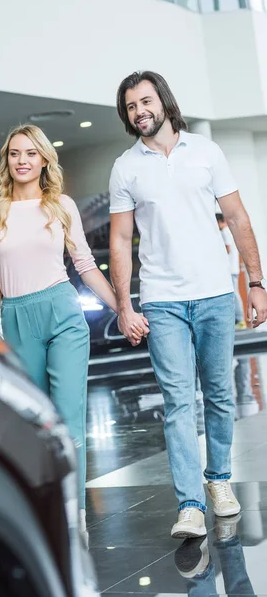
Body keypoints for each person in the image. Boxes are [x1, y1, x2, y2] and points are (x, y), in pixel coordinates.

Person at [109, 70, 267, 538]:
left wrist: (256, 282)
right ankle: (190, 505)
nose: (140, 111)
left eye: (145, 101)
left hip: (216, 293)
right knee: (179, 401)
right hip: (162, 301)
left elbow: (237, 218)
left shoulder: (206, 152)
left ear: (163, 103)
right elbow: (119, 240)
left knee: (219, 395)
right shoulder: (126, 167)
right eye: (131, 106)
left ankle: (218, 480)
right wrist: (124, 304)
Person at [0, 124, 118, 542]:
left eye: (31, 153)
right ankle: (46, 504)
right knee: (35, 422)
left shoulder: (61, 206)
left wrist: (122, 308)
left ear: (44, 160)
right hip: (18, 318)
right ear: (7, 161)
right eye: (15, 153)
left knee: (69, 417)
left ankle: (73, 514)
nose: (22, 161)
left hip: (62, 312)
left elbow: (86, 266)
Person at [216, 213, 247, 329]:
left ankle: (240, 320)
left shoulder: (224, 232)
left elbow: (227, 249)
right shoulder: (230, 232)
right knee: (233, 293)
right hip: (233, 268)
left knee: (234, 294)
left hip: (229, 269)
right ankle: (237, 320)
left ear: (220, 221)